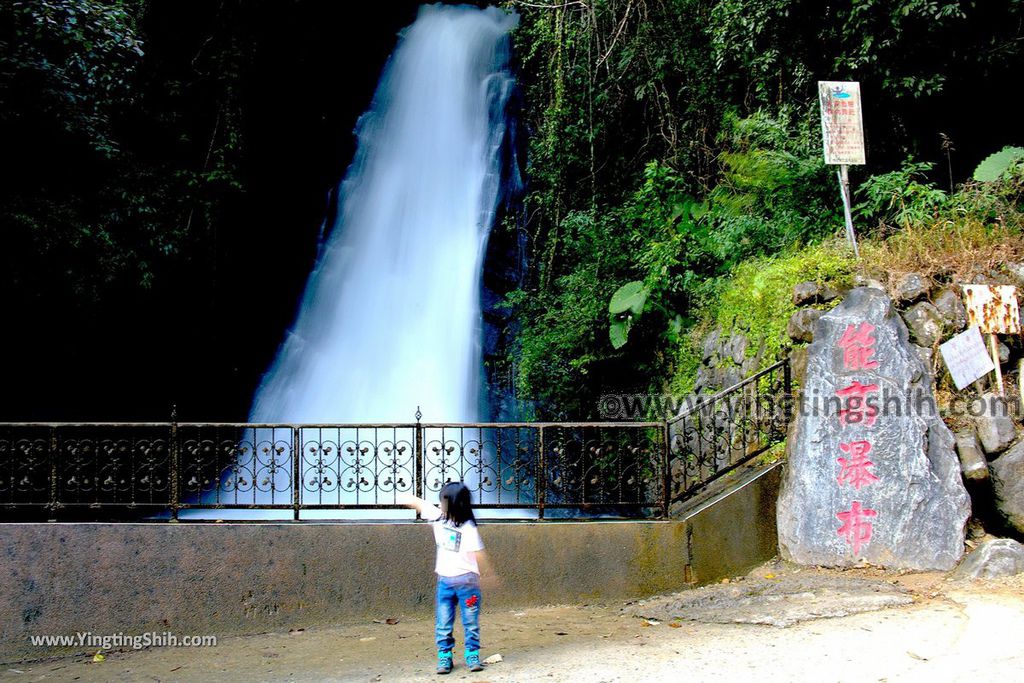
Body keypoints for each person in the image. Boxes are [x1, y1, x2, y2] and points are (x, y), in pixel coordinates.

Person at [400, 483, 496, 675]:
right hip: (444, 582)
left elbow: (479, 554)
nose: (439, 504)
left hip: (467, 583)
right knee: (443, 622)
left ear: (453, 504)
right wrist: (405, 498)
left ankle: (472, 654)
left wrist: (488, 575)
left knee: (470, 622)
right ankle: (444, 655)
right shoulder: (437, 517)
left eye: (443, 500)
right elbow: (420, 503)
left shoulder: (468, 528)